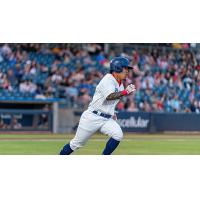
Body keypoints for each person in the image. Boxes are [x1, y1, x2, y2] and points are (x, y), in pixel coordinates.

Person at [59, 57, 136, 155]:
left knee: (117, 134)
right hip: (92, 116)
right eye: (125, 68)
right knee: (76, 144)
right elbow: (109, 96)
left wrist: (112, 112)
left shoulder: (120, 85)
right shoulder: (108, 79)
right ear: (117, 68)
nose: (127, 71)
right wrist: (126, 92)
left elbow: (112, 101)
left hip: (106, 119)